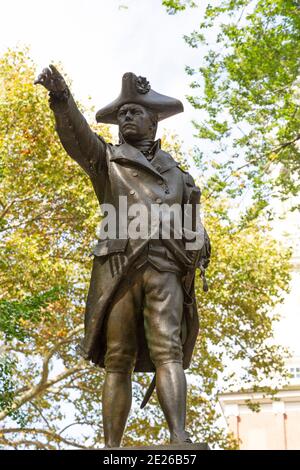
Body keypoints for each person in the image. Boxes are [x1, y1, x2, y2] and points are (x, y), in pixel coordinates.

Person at [35, 66, 210, 447]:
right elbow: (77, 138)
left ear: (154, 121)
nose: (126, 118)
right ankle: (111, 448)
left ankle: (178, 436)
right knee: (118, 358)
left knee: (170, 351)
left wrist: (200, 245)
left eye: (135, 112)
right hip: (120, 269)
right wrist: (61, 99)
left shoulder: (179, 175)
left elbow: (195, 225)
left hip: (166, 268)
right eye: (122, 113)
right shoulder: (107, 160)